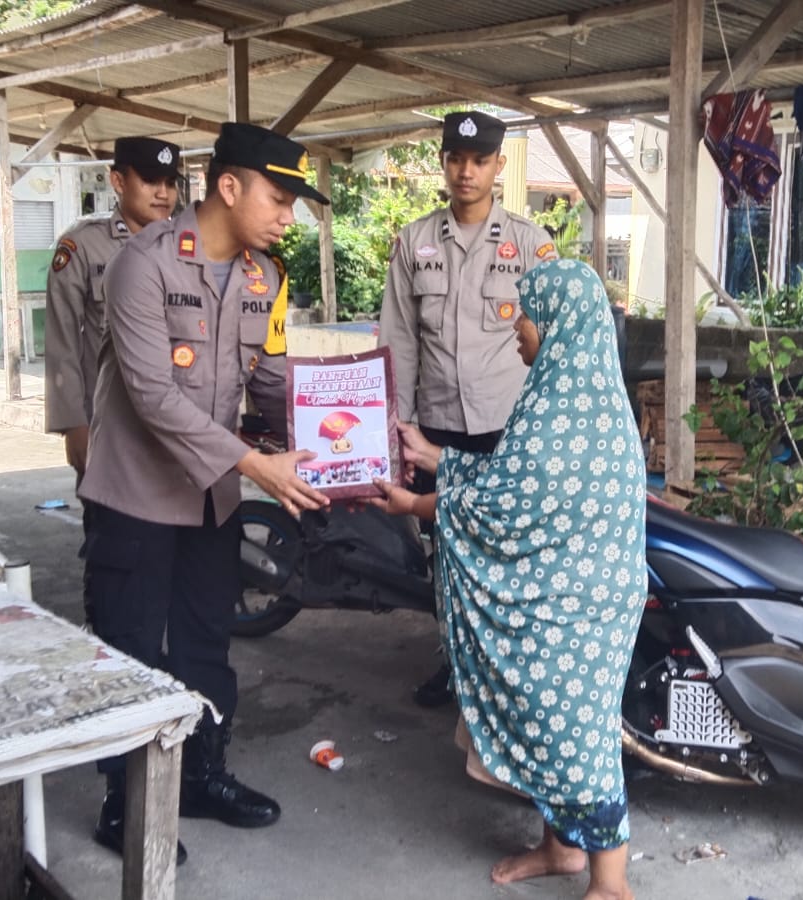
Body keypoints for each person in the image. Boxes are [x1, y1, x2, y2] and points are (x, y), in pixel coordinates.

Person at [78, 122, 331, 862]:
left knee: (204, 644)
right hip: (135, 495)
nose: (289, 216)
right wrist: (257, 466)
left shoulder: (268, 278)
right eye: (280, 199)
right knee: (129, 649)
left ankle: (200, 777)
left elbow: (274, 380)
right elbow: (154, 396)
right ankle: (124, 805)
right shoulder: (143, 266)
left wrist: (340, 445)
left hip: (211, 498)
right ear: (229, 186)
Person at [373, 260, 646, 900]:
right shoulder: (567, 390)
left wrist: (415, 505)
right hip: (564, 593)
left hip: (580, 605)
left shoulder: (572, 409)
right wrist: (433, 455)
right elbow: (509, 473)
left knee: (577, 735)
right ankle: (561, 849)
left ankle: (612, 881)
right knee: (548, 724)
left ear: (558, 325)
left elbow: (502, 502)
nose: (518, 328)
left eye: (526, 316)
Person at [378, 109, 561, 707]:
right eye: (456, 159)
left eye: (479, 160)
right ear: (442, 161)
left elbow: (553, 341)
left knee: (509, 554)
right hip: (436, 426)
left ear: (498, 166)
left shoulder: (532, 245)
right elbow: (399, 340)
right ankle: (455, 664)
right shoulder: (414, 243)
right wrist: (395, 421)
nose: (466, 171)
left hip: (507, 431)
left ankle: (505, 671)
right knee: (447, 553)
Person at [44, 136, 181, 481]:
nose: (163, 193)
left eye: (169, 183)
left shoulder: (186, 247)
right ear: (118, 181)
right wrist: (73, 423)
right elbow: (62, 341)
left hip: (178, 427)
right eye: (150, 181)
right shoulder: (85, 245)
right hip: (110, 429)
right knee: (111, 530)